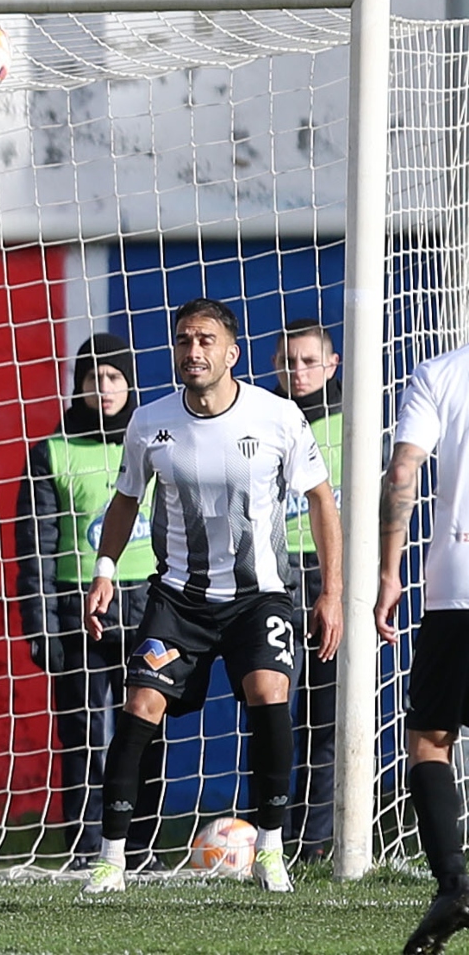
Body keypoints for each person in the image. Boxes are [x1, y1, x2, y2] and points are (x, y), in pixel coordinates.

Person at [78, 297, 342, 896]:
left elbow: (321, 500)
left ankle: (270, 849)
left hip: (259, 598)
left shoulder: (278, 417)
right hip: (179, 600)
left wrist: (332, 591)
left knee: (269, 694)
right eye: (183, 340)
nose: (192, 351)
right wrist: (104, 571)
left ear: (232, 353)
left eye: (205, 341)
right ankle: (110, 859)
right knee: (141, 705)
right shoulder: (151, 422)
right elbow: (126, 499)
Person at [13, 333, 164, 872]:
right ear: (77, 386)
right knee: (85, 735)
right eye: (92, 378)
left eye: (113, 377)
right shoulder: (51, 452)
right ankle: (87, 847)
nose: (102, 388)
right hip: (78, 613)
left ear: (129, 384)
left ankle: (140, 847)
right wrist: (42, 626)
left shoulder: (153, 447)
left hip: (151, 606)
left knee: (146, 730)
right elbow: (35, 547)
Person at [380, 340, 469, 954]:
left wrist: (390, 574)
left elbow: (403, 470)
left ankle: (454, 885)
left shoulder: (440, 373)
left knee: (431, 739)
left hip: (456, 584)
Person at [274, 318, 341, 862]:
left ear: (332, 364)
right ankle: (268, 833)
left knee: (326, 717)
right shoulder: (265, 417)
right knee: (271, 711)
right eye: (287, 362)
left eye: (308, 361)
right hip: (273, 579)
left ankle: (314, 843)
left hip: (331, 580)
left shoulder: (357, 420)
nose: (297, 372)